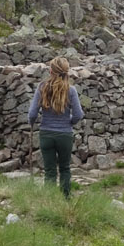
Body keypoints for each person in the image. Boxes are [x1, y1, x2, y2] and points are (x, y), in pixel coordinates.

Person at [27, 57, 84, 198]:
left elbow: (32, 113)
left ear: (51, 71)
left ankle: (50, 199)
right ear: (66, 72)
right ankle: (65, 198)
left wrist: (32, 123)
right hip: (65, 134)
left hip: (46, 133)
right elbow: (78, 114)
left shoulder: (42, 87)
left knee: (49, 170)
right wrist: (69, 122)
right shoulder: (71, 90)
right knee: (65, 168)